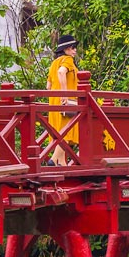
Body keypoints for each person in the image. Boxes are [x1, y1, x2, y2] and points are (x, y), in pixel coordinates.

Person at [46, 34, 80, 165]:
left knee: (59, 132)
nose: (74, 50)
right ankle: (53, 160)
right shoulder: (67, 60)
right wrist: (65, 94)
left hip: (54, 102)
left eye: (75, 47)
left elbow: (48, 85)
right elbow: (61, 72)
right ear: (65, 49)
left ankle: (61, 163)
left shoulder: (54, 63)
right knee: (66, 132)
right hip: (65, 101)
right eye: (72, 47)